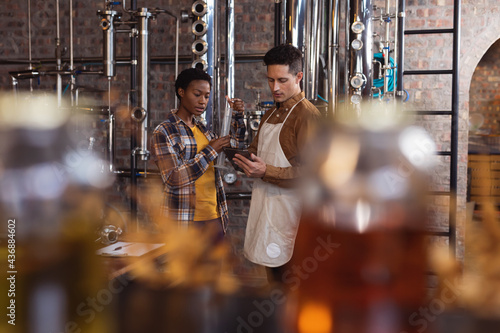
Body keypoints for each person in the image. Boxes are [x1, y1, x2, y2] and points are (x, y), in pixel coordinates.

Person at [233, 44, 321, 284]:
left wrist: (266, 171)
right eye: (270, 80)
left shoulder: (307, 115)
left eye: (282, 80)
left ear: (299, 76)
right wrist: (238, 157)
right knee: (275, 285)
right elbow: (256, 153)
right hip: (267, 211)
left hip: (292, 218)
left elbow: (315, 174)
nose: (275, 88)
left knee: (291, 291)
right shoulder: (270, 114)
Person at [151, 68, 246, 240]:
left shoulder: (205, 131)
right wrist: (210, 151)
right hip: (183, 222)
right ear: (181, 92)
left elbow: (236, 152)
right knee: (183, 268)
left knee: (216, 268)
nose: (203, 101)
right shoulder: (165, 131)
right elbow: (173, 178)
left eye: (207, 96)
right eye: (197, 94)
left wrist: (237, 116)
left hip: (215, 218)